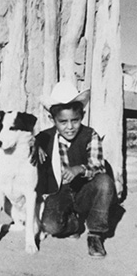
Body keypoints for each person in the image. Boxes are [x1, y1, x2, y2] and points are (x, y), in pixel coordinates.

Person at [34, 80, 116, 258]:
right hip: (59, 191)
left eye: (75, 120)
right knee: (51, 226)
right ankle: (75, 224)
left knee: (105, 181)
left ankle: (96, 233)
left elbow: (98, 165)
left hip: (83, 190)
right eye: (63, 122)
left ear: (82, 116)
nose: (69, 127)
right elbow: (29, 146)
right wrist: (35, 145)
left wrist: (79, 168)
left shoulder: (90, 135)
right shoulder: (43, 138)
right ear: (52, 119)